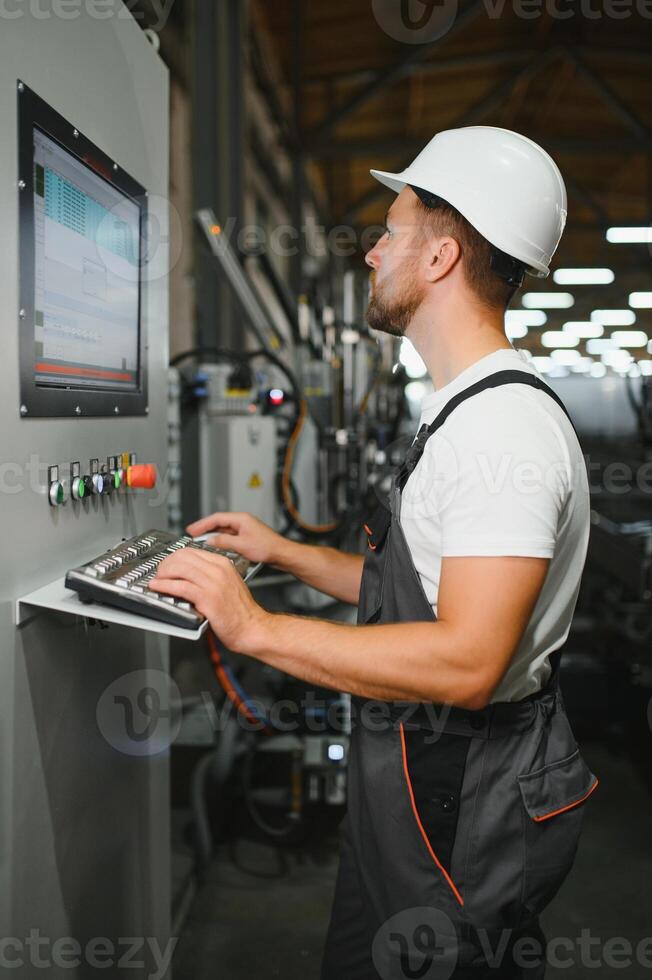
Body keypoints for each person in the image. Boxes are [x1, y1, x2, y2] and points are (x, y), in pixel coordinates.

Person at [152, 127, 598, 979]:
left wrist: (254, 628)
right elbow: (420, 591)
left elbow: (468, 659)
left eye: (390, 231)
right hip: (413, 779)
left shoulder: (500, 433)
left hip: (461, 791)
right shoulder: (462, 409)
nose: (372, 254)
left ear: (440, 256)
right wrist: (283, 552)